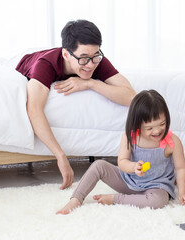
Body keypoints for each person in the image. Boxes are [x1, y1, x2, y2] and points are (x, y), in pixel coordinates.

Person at [16, 19, 136, 190]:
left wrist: (90, 83)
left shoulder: (95, 60)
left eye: (95, 56)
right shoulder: (45, 65)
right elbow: (34, 109)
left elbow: (131, 96)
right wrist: (60, 155)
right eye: (84, 59)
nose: (90, 64)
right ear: (66, 54)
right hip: (26, 61)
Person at [56, 90, 185, 214]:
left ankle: (116, 199)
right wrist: (133, 167)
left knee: (159, 201)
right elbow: (122, 162)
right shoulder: (130, 136)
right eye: (149, 128)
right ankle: (76, 199)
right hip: (127, 181)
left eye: (162, 124)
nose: (157, 131)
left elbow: (180, 168)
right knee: (99, 165)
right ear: (136, 125)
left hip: (155, 187)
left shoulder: (172, 142)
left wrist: (183, 192)